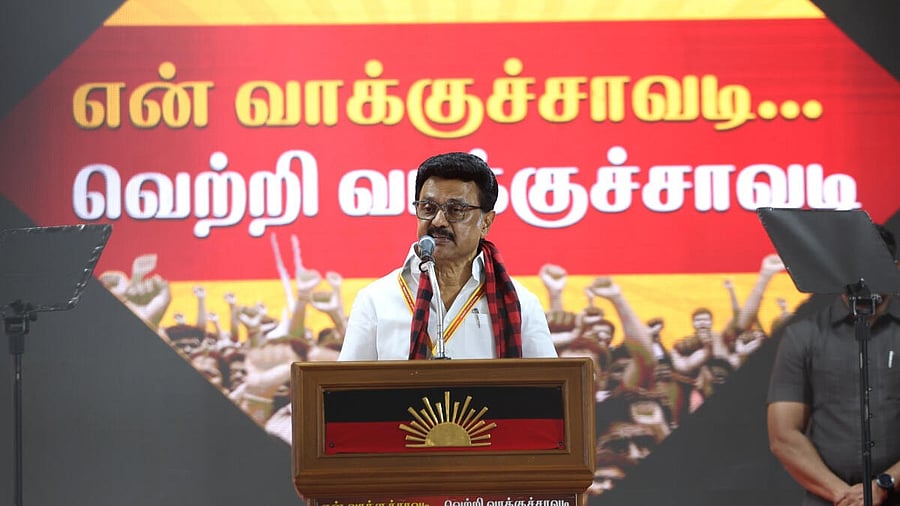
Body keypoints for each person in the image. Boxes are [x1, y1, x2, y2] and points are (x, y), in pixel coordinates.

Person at [339, 152, 556, 360]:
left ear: (486, 223)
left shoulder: (521, 304)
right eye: (428, 208)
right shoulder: (376, 300)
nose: (438, 221)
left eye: (455, 210)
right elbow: (344, 389)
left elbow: (550, 389)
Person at [767, 225, 900, 506]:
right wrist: (843, 495)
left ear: (894, 268)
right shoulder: (803, 336)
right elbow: (783, 435)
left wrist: (883, 485)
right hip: (831, 499)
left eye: (873, 266)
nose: (861, 278)